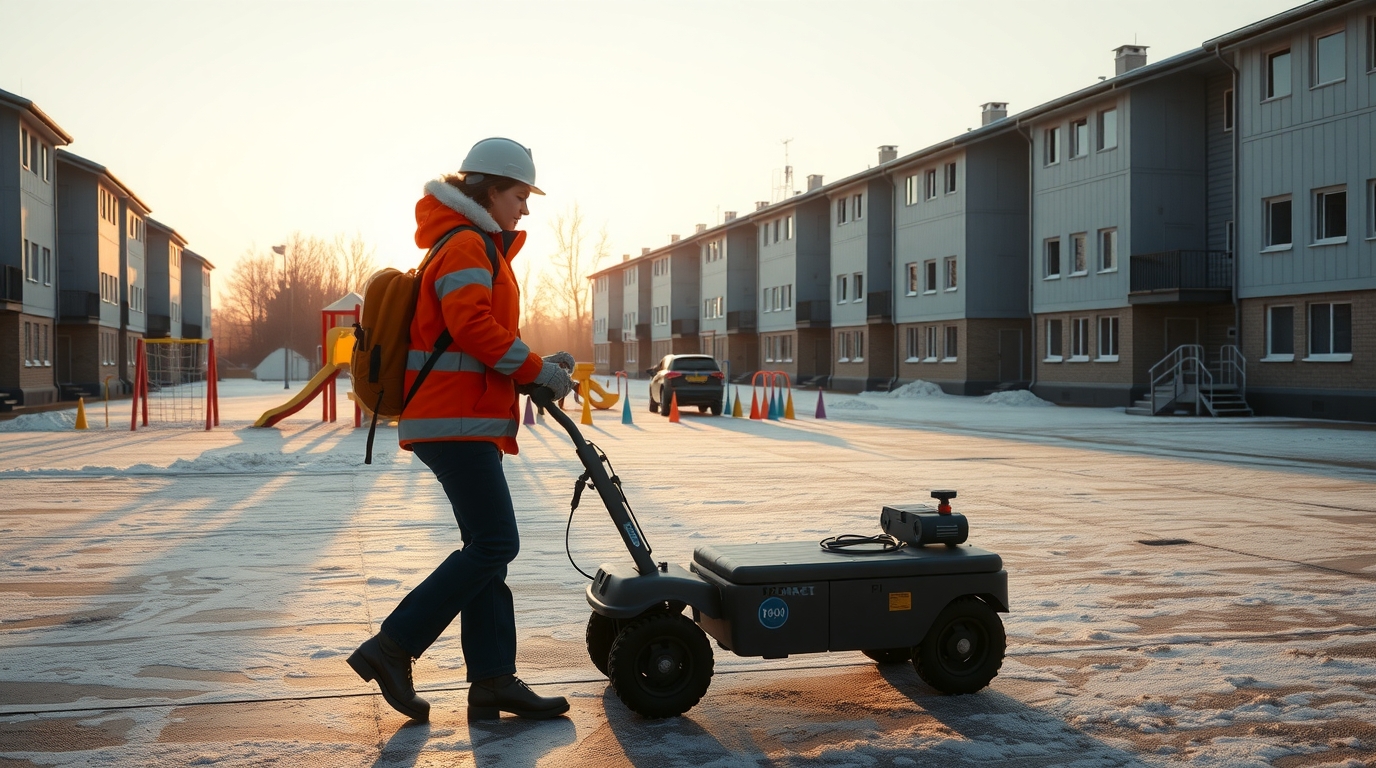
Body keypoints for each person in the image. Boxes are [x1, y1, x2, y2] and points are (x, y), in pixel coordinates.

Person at [347, 138, 575, 723]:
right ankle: (392, 647)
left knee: (487, 551)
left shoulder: (466, 243)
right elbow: (472, 326)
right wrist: (532, 369)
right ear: (489, 190)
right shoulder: (469, 243)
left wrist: (537, 367)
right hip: (454, 423)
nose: (524, 209)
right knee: (497, 544)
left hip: (459, 417)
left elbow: (470, 335)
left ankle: (493, 680)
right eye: (519, 195)